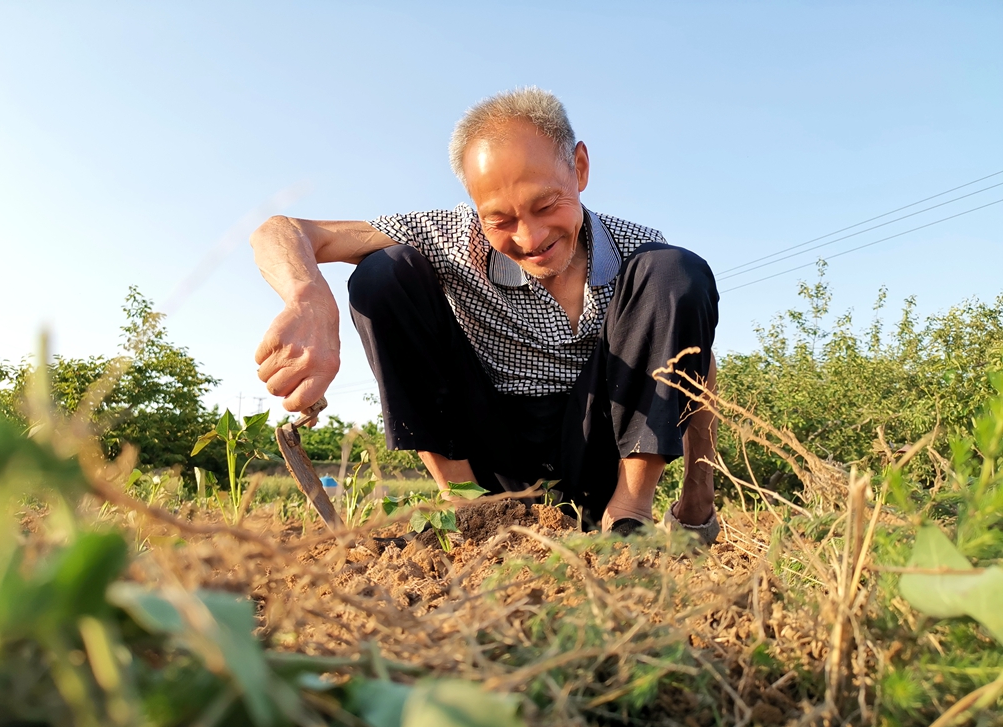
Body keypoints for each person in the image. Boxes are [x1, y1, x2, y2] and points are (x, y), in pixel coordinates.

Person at [251, 87, 720, 542]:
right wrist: (308, 299)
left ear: (579, 168)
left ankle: (629, 516)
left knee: (675, 271)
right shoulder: (453, 236)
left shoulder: (638, 254)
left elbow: (695, 365)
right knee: (382, 272)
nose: (530, 238)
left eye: (546, 205)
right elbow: (282, 230)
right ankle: (466, 508)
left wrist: (698, 496)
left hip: (601, 457)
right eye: (501, 220)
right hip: (490, 456)